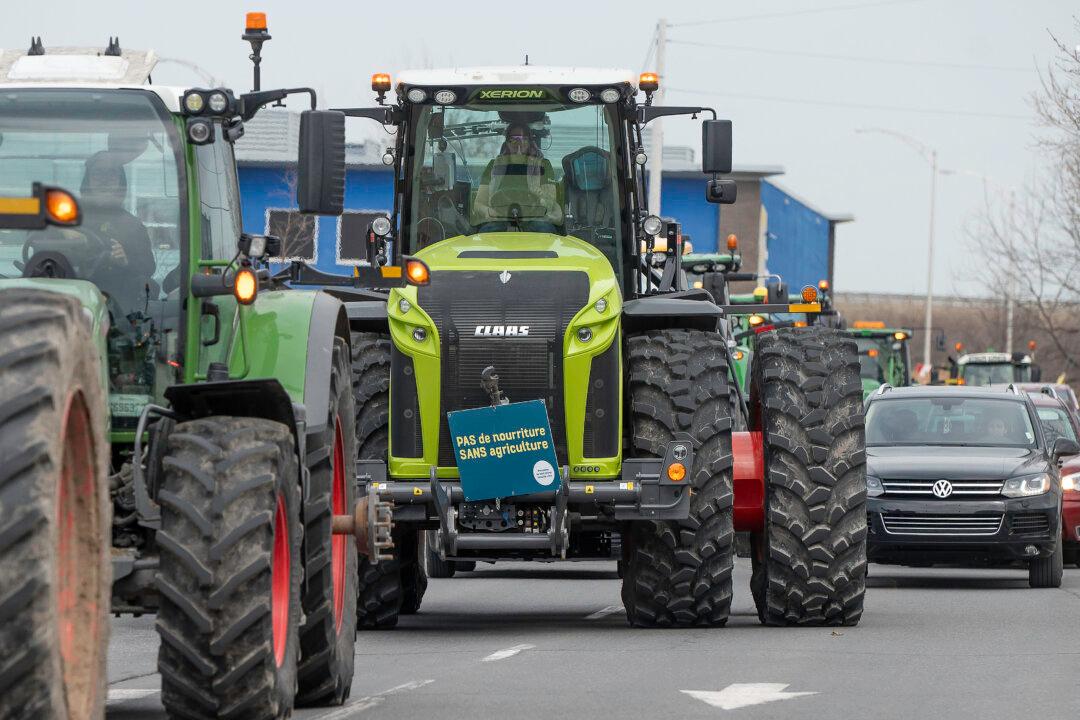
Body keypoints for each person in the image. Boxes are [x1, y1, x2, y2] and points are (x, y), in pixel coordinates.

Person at [78, 137, 156, 309]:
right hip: (73, 298)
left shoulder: (132, 225)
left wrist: (125, 260)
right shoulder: (68, 219)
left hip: (119, 307)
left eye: (111, 174)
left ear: (120, 181)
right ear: (88, 181)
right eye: (98, 174)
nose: (104, 181)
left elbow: (149, 267)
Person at [472, 123, 563, 232]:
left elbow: (550, 202)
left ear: (529, 142)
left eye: (524, 139)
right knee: (486, 232)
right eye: (514, 139)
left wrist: (538, 195)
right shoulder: (494, 166)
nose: (519, 143)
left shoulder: (543, 165)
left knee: (545, 230)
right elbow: (478, 203)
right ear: (507, 143)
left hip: (535, 220)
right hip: (499, 220)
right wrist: (488, 212)